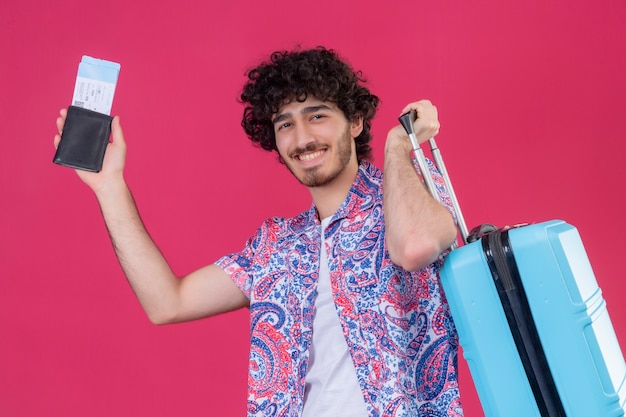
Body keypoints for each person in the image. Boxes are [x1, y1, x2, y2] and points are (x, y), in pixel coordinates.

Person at [54, 46, 463, 417]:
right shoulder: (275, 246)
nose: (302, 138)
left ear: (355, 122)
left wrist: (397, 147)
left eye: (317, 115)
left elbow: (416, 246)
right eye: (285, 125)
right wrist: (110, 186)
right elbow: (167, 302)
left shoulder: (414, 194)